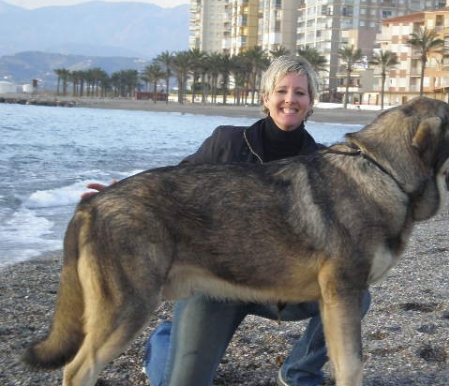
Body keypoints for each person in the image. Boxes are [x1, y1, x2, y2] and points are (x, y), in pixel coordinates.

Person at [85, 55, 371, 386]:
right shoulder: (227, 143)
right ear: (266, 98)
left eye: (300, 93)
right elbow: (171, 189)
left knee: (355, 292)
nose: (290, 99)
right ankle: (165, 340)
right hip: (214, 283)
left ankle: (298, 372)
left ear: (311, 102)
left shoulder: (324, 163)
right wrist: (123, 198)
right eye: (281, 90)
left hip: (281, 288)